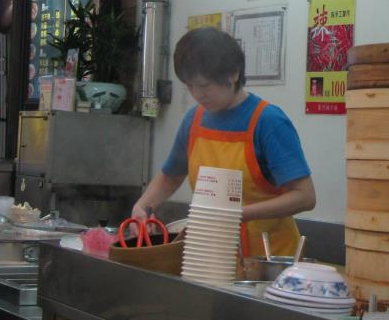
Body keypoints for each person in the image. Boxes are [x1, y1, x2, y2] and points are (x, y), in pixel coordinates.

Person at [131, 27, 315, 256]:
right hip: (213, 256)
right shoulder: (193, 121)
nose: (198, 94)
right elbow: (171, 176)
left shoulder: (268, 122)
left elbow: (305, 196)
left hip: (268, 263)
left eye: (205, 85)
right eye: (190, 86)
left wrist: (238, 213)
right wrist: (142, 206)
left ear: (233, 74)